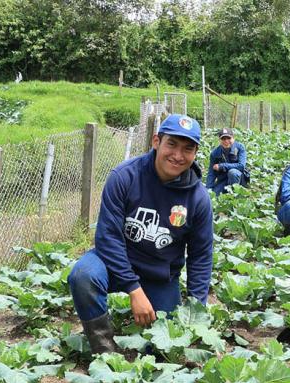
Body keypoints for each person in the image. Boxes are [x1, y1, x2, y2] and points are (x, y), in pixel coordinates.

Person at [67, 114, 213, 354]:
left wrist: (197, 311)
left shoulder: (198, 199)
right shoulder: (124, 177)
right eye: (172, 144)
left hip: (159, 274)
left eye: (188, 148)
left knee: (160, 348)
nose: (178, 155)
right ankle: (104, 351)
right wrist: (134, 290)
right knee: (83, 275)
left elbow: (201, 256)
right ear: (156, 141)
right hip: (115, 264)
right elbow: (108, 237)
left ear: (195, 153)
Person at [205, 127, 249, 195]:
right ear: (219, 140)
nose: (226, 141)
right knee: (213, 195)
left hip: (239, 178)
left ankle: (235, 195)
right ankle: (225, 191)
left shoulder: (240, 147)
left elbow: (241, 166)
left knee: (232, 172)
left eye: (229, 138)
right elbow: (211, 172)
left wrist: (222, 166)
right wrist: (208, 189)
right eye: (223, 138)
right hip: (223, 179)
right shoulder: (215, 153)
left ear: (233, 138)